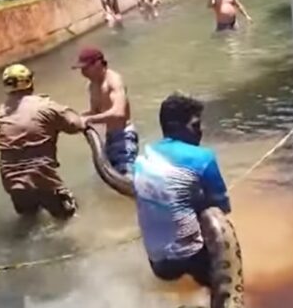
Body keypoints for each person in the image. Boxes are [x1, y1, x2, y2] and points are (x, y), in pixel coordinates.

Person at [133, 92, 231, 288]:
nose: (201, 131)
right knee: (215, 220)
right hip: (191, 259)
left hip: (158, 265)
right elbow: (223, 209)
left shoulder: (144, 156)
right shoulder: (203, 157)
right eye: (195, 125)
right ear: (178, 127)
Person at [0, 63, 85, 220]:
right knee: (70, 217)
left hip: (12, 182)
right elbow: (75, 125)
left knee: (29, 221)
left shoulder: (2, 113)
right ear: (29, 82)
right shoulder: (44, 105)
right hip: (41, 178)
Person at [73, 47, 139, 176]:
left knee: (126, 176)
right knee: (110, 174)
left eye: (85, 68)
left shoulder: (114, 81)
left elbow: (119, 113)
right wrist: (77, 117)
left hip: (124, 135)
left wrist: (89, 119)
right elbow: (95, 112)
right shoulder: (92, 85)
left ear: (97, 64)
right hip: (110, 137)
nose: (83, 73)